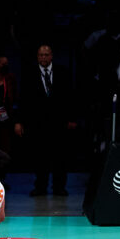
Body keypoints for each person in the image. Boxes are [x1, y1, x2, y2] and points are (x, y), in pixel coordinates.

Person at [14, 45, 77, 196]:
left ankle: (59, 187)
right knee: (40, 156)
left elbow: (71, 97)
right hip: (37, 123)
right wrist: (19, 121)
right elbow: (23, 99)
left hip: (59, 123)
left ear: (51, 56)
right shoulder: (29, 73)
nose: (43, 58)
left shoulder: (62, 72)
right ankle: (40, 187)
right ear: (37, 57)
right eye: (41, 55)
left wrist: (72, 118)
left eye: (46, 55)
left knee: (60, 156)